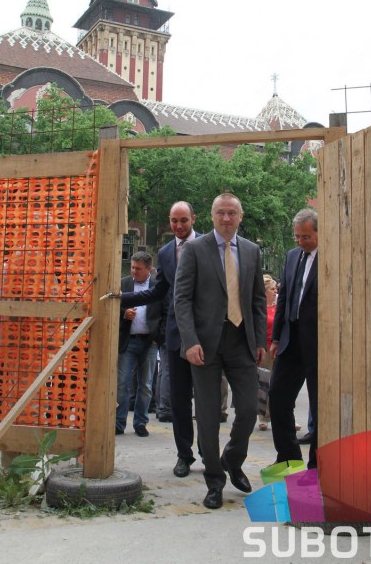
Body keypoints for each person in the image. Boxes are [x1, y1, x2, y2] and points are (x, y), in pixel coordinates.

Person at [174, 192, 266, 510]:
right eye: (220, 213)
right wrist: (189, 341)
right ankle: (214, 481)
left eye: (232, 213)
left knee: (249, 410)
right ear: (212, 216)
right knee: (209, 416)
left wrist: (259, 340)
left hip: (241, 342)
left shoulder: (252, 251)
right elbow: (182, 299)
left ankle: (232, 459)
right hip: (204, 345)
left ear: (240, 217)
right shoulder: (194, 250)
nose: (226, 218)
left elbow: (257, 300)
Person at [119, 201, 202, 477]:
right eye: (173, 221)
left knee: (206, 400)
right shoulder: (166, 252)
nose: (178, 226)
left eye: (183, 220)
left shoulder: (208, 244)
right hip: (175, 337)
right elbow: (158, 292)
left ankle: (208, 452)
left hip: (204, 335)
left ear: (193, 219)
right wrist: (122, 297)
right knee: (178, 399)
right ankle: (184, 455)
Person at [269, 208, 319, 469]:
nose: (300, 242)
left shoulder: (331, 257)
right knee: (278, 398)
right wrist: (276, 337)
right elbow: (284, 299)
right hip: (290, 340)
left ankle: (317, 467)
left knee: (319, 407)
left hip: (318, 343)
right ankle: (289, 458)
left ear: (319, 233)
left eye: (306, 237)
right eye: (297, 237)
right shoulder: (291, 257)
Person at [115, 252, 161, 437]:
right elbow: (113, 305)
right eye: (133, 267)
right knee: (122, 384)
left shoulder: (157, 286)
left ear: (149, 269)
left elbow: (165, 310)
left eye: (138, 268)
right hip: (128, 341)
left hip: (150, 342)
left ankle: (141, 423)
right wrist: (124, 313)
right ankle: (118, 423)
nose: (134, 271)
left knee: (146, 385)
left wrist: (158, 336)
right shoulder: (123, 284)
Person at [257, 274, 278, 431]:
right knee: (263, 384)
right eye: (272, 289)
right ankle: (262, 417)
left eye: (276, 288)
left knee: (278, 384)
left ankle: (279, 415)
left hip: (278, 349)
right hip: (264, 349)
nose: (275, 291)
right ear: (265, 292)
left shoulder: (278, 307)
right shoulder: (260, 309)